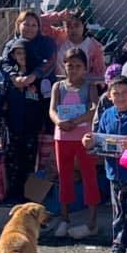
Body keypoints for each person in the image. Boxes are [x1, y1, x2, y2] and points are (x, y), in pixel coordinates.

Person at [84, 76, 127, 253]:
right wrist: (88, 141)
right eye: (116, 93)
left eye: (124, 92)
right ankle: (118, 245)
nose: (120, 97)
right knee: (118, 210)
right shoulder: (107, 114)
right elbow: (98, 140)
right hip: (113, 172)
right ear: (109, 96)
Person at [49, 48, 101, 239]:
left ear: (85, 68)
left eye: (78, 66)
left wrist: (76, 122)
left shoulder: (90, 87)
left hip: (84, 139)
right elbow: (52, 110)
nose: (73, 70)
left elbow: (94, 109)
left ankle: (92, 222)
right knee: (64, 177)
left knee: (89, 176)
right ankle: (65, 218)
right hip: (62, 138)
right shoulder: (58, 86)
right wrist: (59, 122)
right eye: (70, 66)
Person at [0, 39, 45, 202]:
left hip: (31, 125)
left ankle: (28, 194)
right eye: (18, 53)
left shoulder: (37, 75)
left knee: (29, 160)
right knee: (13, 159)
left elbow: (43, 100)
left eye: (25, 52)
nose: (22, 56)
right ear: (13, 55)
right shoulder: (12, 75)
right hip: (13, 123)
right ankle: (14, 192)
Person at [52, 11, 106, 80]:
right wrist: (58, 16)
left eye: (77, 25)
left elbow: (100, 74)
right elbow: (39, 23)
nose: (73, 29)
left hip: (83, 83)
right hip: (59, 81)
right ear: (64, 27)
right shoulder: (59, 36)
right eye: (68, 26)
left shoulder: (93, 46)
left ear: (83, 26)